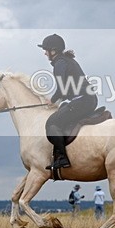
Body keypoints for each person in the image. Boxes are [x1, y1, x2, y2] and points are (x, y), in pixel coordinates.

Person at [38, 34, 98, 172]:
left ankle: (62, 158)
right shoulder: (66, 61)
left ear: (53, 50)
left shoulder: (60, 63)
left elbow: (62, 88)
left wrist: (52, 101)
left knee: (52, 123)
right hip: (87, 99)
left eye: (46, 49)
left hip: (82, 100)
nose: (45, 53)